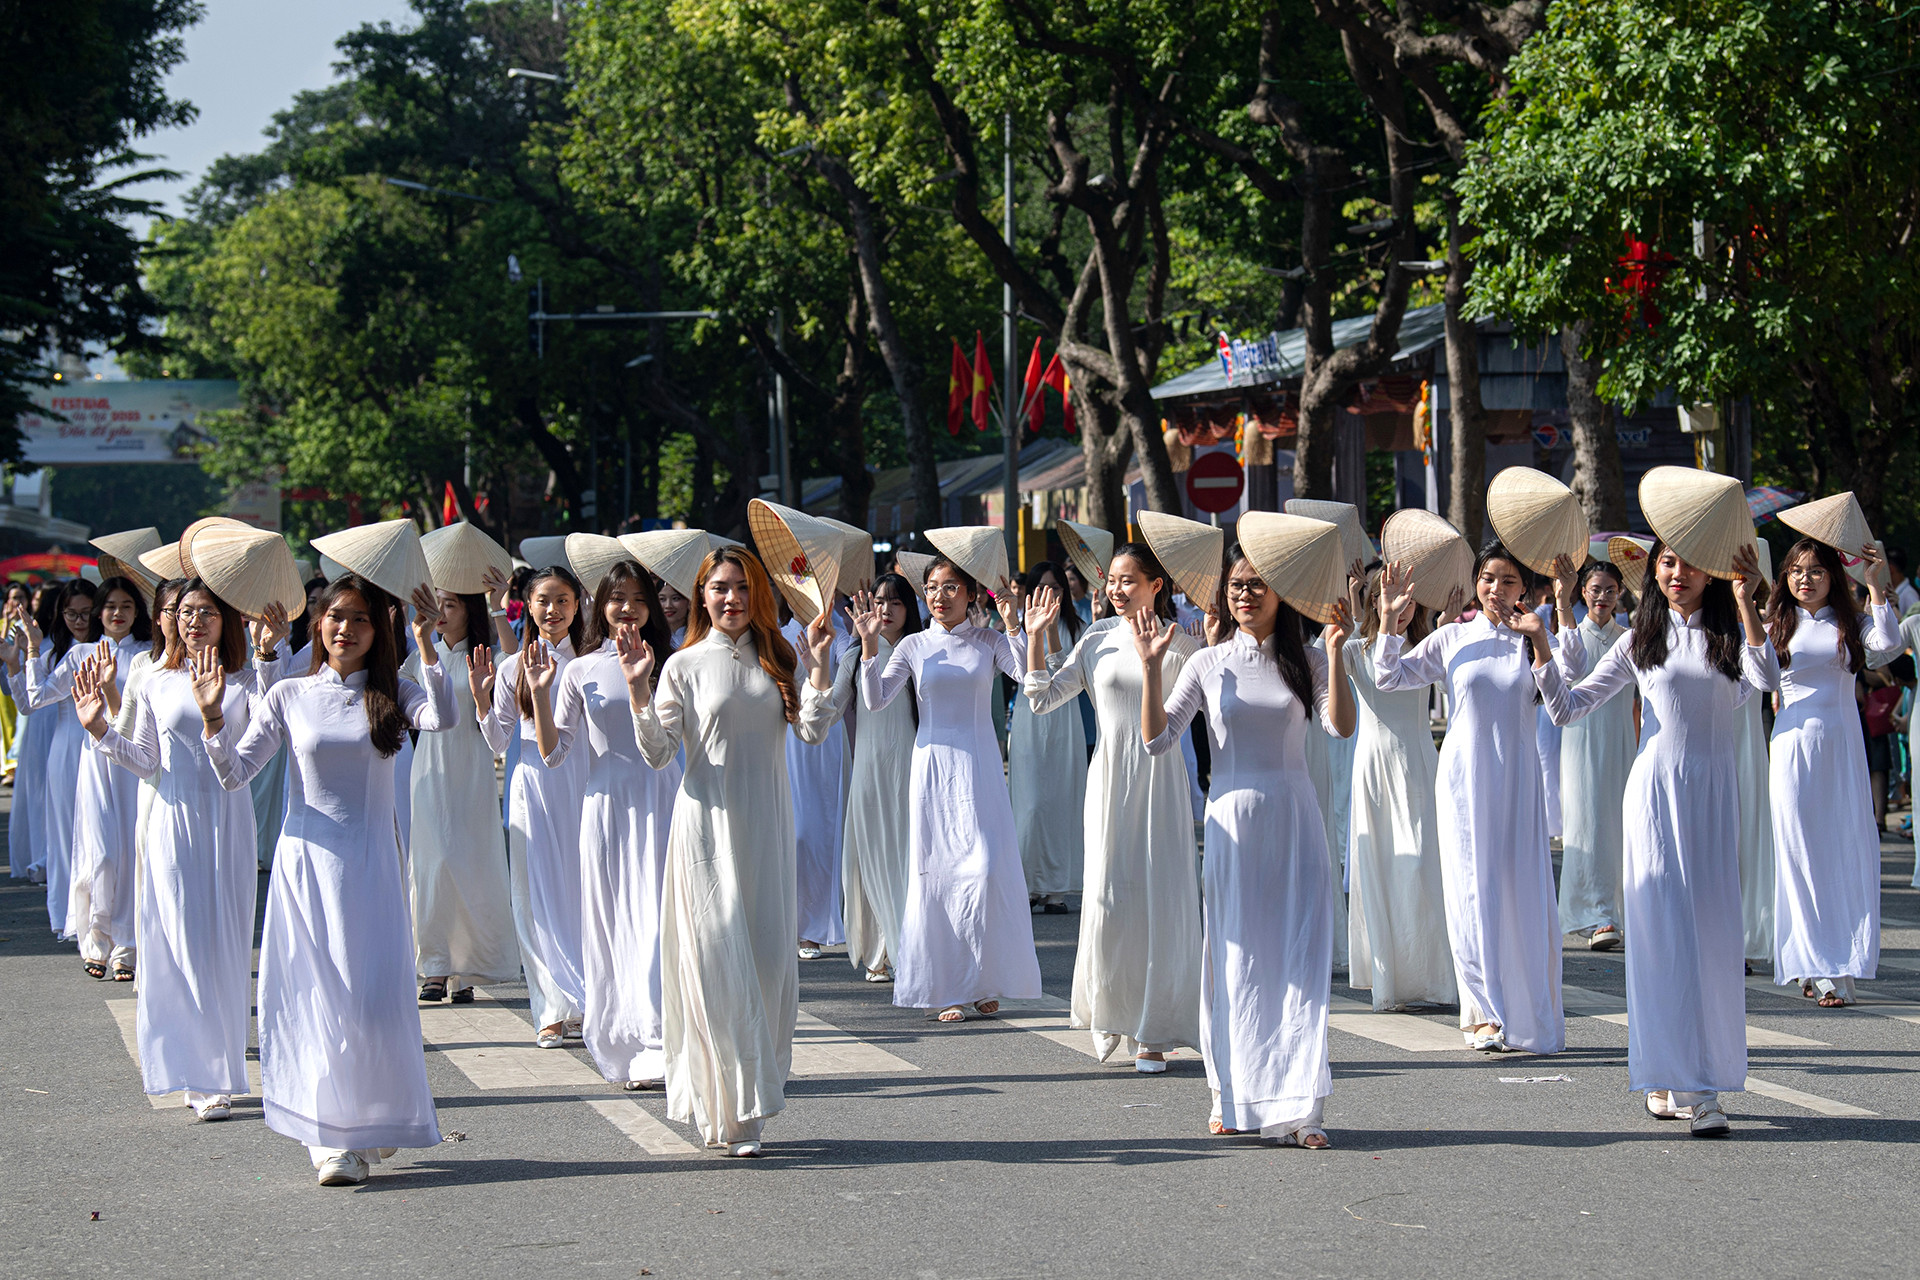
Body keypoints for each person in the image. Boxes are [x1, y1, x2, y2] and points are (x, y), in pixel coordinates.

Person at [202, 574, 456, 1186]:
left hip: (371, 868)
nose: (346, 628)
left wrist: (426, 642)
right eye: (336, 615)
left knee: (369, 1001)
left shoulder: (394, 691)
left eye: (361, 618)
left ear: (378, 631)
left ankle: (370, 1115)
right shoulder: (289, 694)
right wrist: (212, 720)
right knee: (316, 1001)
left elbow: (444, 717)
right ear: (317, 623)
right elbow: (236, 773)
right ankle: (330, 1140)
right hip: (306, 869)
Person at [1528, 541, 1773, 1136]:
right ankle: (1692, 1087)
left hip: (1712, 800)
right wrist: (1542, 643)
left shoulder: (1729, 637)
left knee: (1710, 938)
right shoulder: (1640, 638)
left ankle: (1686, 1074)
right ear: (1653, 571)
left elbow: (1767, 678)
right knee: (1662, 935)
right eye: (1666, 562)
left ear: (1711, 574)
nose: (1677, 573)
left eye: (1689, 563)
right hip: (1655, 798)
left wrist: (1746, 602)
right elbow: (1567, 708)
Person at [1136, 539, 1356, 1146]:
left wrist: (1336, 654)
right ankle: (1230, 1095)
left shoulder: (1307, 659)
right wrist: (1152, 668)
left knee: (1298, 960)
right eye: (1235, 584)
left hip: (1294, 821)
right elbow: (1157, 740)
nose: (1244, 593)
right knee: (1235, 963)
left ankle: (1301, 1112)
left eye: (1257, 583)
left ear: (1282, 592)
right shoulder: (1208, 663)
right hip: (1232, 826)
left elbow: (1339, 726)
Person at [628, 546, 838, 1156]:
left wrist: (819, 667)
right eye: (720, 587)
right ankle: (733, 1111)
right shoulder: (683, 665)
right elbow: (659, 753)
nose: (732, 598)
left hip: (766, 830)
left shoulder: (779, 657)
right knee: (717, 968)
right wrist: (639, 690)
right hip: (705, 835)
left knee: (768, 968)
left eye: (743, 587)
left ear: (759, 595)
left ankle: (748, 1100)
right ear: (702, 595)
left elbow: (812, 730)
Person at [72, 578, 270, 1122]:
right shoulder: (153, 678)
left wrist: (262, 662)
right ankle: (197, 1074)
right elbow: (144, 760)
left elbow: (258, 753)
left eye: (206, 612)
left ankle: (220, 1067)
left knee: (224, 945)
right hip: (171, 821)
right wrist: (100, 730)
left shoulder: (245, 680)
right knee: (181, 942)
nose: (194, 621)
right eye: (185, 612)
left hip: (228, 822)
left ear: (227, 619)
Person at [1373, 544, 1582, 1053]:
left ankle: (1526, 1009)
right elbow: (1389, 676)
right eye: (1488, 578)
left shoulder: (1532, 636)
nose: (1496, 589)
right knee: (1470, 889)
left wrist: (1551, 621)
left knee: (1519, 888)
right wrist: (1389, 623)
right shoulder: (1453, 637)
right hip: (1464, 780)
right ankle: (1484, 1013)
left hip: (1518, 779)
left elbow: (1571, 681)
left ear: (1525, 589)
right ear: (1475, 583)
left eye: (1508, 581)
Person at [1021, 543, 1202, 1069]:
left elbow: (1204, 713)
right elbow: (1042, 698)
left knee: (1158, 897)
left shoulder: (1183, 644)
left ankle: (1154, 1029)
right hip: (1107, 781)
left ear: (1155, 585)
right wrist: (1035, 638)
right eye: (1112, 581)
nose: (1117, 590)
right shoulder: (1096, 639)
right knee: (1108, 898)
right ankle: (1112, 1013)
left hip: (1160, 781)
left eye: (1129, 580)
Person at [854, 555, 1042, 1023]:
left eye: (951, 586)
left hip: (980, 767)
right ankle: (947, 990)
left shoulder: (989, 641)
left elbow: (1028, 680)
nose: (940, 596)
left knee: (985, 870)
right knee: (937, 877)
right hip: (933, 769)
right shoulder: (914, 645)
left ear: (971, 594)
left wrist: (1015, 626)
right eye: (933, 587)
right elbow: (876, 700)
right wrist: (869, 647)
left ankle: (984, 981)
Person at [527, 559, 681, 1088]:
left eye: (638, 599)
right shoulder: (579, 670)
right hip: (606, 807)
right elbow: (553, 754)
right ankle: (626, 1038)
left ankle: (663, 1041)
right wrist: (540, 693)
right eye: (618, 598)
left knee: (658, 919)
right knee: (614, 924)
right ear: (601, 605)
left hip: (663, 798)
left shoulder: (672, 661)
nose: (628, 608)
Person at [1764, 539, 1900, 1006]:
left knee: (1842, 850)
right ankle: (1814, 964)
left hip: (1841, 747)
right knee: (1799, 853)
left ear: (1833, 576)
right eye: (1797, 570)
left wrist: (1874, 586)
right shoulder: (1775, 624)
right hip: (1792, 748)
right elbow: (1755, 676)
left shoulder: (1851, 623)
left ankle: (1840, 959)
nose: (1806, 579)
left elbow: (1888, 645)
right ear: (1785, 577)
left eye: (1816, 570)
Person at [469, 565, 588, 1046]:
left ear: (577, 605)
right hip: (532, 789)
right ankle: (550, 1009)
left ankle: (585, 999)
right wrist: (482, 701)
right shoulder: (511, 667)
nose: (553, 610)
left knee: (581, 890)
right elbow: (498, 741)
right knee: (532, 895)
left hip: (582, 785)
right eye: (543, 601)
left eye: (562, 600)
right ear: (528, 606)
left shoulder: (589, 662)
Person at [1344, 567, 1460, 1011]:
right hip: (1373, 765)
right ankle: (1389, 978)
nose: (1403, 608)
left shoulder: (1428, 647)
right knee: (1382, 865)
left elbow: (1456, 687)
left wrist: (1449, 625)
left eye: (1411, 601)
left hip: (1419, 762)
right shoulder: (1354, 649)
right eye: (1392, 599)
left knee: (1424, 864)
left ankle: (1432, 974)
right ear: (1375, 602)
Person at [406, 582, 519, 1006]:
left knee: (469, 865)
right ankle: (435, 966)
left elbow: (514, 662)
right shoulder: (420, 657)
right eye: (437, 604)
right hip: (430, 769)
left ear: (468, 610)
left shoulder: (485, 657)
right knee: (433, 866)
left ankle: (467, 969)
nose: (441, 612)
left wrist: (497, 606)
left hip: (471, 769)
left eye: (450, 604)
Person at [57, 578, 157, 978]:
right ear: (99, 612)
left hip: (131, 760)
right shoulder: (80, 654)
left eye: (127, 606)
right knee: (100, 851)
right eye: (111, 606)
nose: (118, 613)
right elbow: (34, 698)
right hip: (95, 761)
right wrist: (24, 657)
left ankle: (127, 948)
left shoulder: (147, 657)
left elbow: (135, 721)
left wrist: (110, 688)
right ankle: (96, 941)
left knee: (130, 851)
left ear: (138, 612)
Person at [835, 572, 920, 983]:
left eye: (896, 602)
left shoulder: (919, 650)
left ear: (910, 609)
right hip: (868, 768)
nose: (886, 610)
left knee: (906, 855)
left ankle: (908, 946)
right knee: (868, 856)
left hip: (911, 766)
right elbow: (831, 706)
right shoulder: (854, 657)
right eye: (880, 601)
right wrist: (813, 672)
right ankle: (876, 951)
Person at [1558, 560, 1635, 950]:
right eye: (1594, 589)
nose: (1602, 596)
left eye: (1609, 589)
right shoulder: (1572, 637)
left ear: (1620, 592)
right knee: (1585, 821)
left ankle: (1621, 910)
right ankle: (1592, 914)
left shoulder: (1631, 639)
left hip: (1621, 739)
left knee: (1621, 823)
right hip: (1581, 739)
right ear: (1583, 592)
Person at [19, 578, 100, 934]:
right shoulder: (58, 655)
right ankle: (70, 914)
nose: (79, 621)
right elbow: (30, 701)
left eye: (86, 613)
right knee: (66, 832)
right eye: (71, 614)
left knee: (103, 832)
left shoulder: (112, 650)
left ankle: (102, 911)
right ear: (61, 615)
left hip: (105, 745)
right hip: (67, 747)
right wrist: (28, 653)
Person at [1010, 561, 1087, 914]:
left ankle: (1055, 889)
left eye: (1055, 587)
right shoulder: (1020, 627)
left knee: (1060, 801)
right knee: (1030, 804)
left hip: (1064, 721)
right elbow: (1023, 674)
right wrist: (1026, 629)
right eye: (1041, 588)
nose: (1049, 594)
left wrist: (1053, 629)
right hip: (1029, 719)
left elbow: (1065, 672)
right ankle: (1027, 884)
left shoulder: (1079, 627)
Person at [783, 597, 852, 958]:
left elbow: (847, 677)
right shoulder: (778, 635)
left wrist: (820, 673)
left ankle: (815, 926)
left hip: (827, 737)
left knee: (824, 832)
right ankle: (790, 924)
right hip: (789, 736)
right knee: (795, 832)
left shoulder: (838, 635)